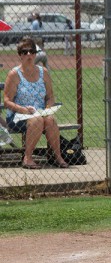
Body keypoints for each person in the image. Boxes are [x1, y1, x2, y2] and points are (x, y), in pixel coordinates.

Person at [3, 37, 69, 169]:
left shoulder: (43, 72)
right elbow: (6, 101)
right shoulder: (14, 74)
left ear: (35, 54)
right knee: (37, 120)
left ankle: (58, 157)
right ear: (20, 55)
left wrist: (48, 109)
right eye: (25, 52)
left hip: (39, 113)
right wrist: (23, 110)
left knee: (50, 120)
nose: (29, 54)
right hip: (18, 116)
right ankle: (27, 158)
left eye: (32, 51)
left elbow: (50, 96)